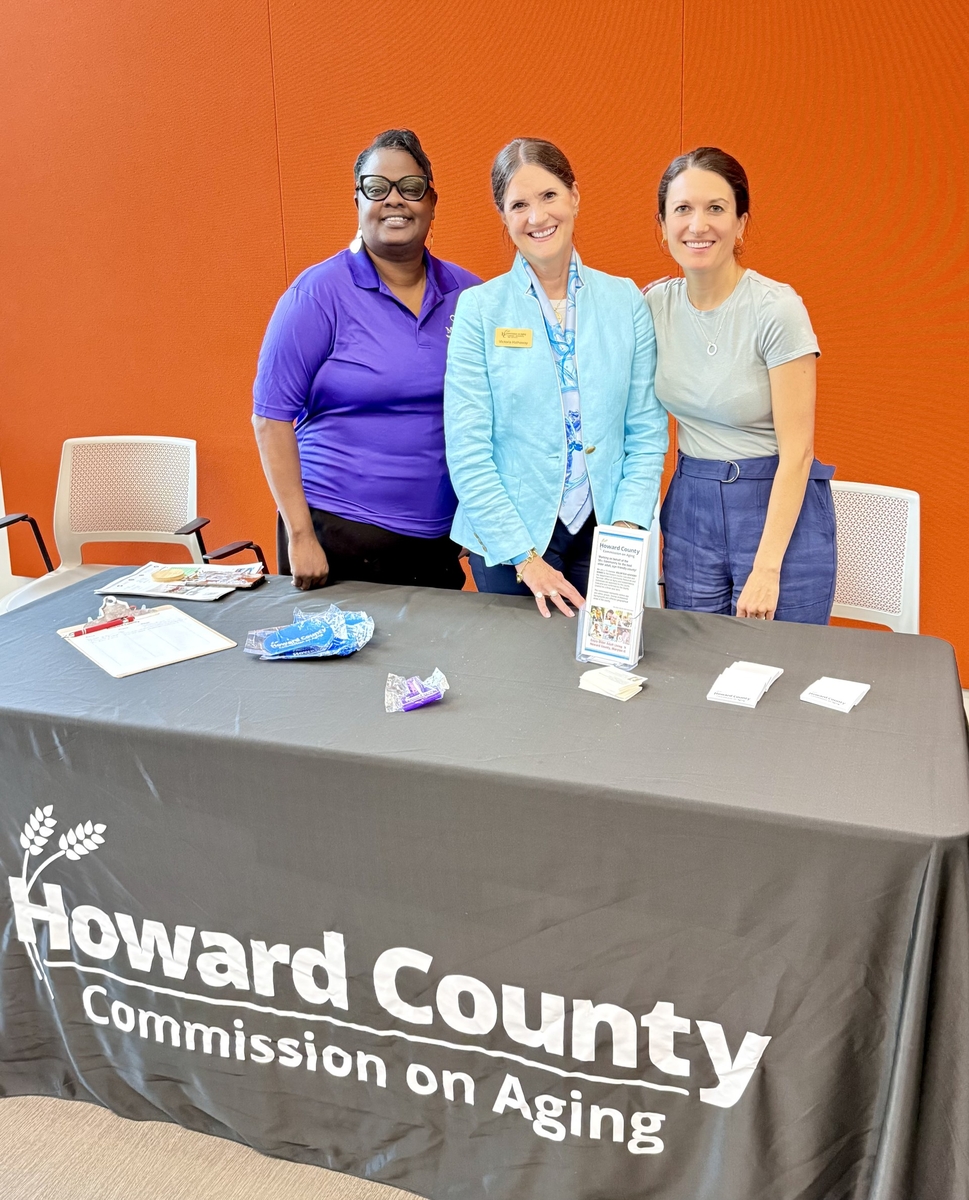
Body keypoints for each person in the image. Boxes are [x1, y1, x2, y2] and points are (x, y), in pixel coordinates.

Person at [444, 138, 668, 618]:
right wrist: (525, 560)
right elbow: (467, 449)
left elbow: (646, 432)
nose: (537, 216)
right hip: (508, 545)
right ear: (503, 216)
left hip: (604, 529)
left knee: (602, 678)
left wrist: (626, 530)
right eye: (519, 204)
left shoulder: (625, 301)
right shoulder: (480, 310)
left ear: (574, 197)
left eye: (548, 196)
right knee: (522, 682)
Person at [252, 129, 480, 591]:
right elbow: (270, 419)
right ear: (357, 201)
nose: (394, 201)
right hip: (336, 536)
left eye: (411, 188)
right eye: (377, 189)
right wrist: (299, 536)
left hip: (437, 541)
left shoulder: (470, 295)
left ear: (432, 202)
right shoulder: (316, 295)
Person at [646, 147, 836, 623]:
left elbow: (798, 452)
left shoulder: (776, 309)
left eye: (716, 208)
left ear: (741, 224)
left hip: (775, 510)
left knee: (778, 670)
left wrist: (767, 567)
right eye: (682, 209)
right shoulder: (651, 307)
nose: (698, 225)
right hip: (691, 506)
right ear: (662, 225)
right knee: (697, 669)